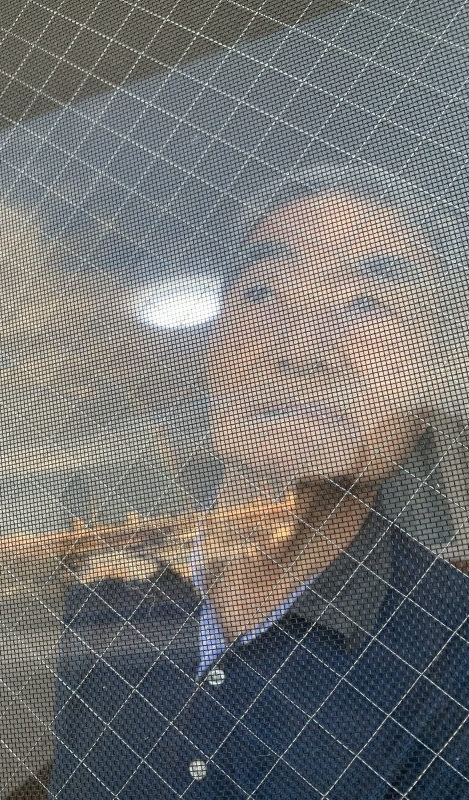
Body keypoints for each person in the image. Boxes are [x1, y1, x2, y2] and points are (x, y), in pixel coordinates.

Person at [47, 160, 469, 799]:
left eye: (368, 304)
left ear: (429, 387)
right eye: (263, 294)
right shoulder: (111, 594)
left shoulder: (450, 648)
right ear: (214, 354)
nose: (300, 348)